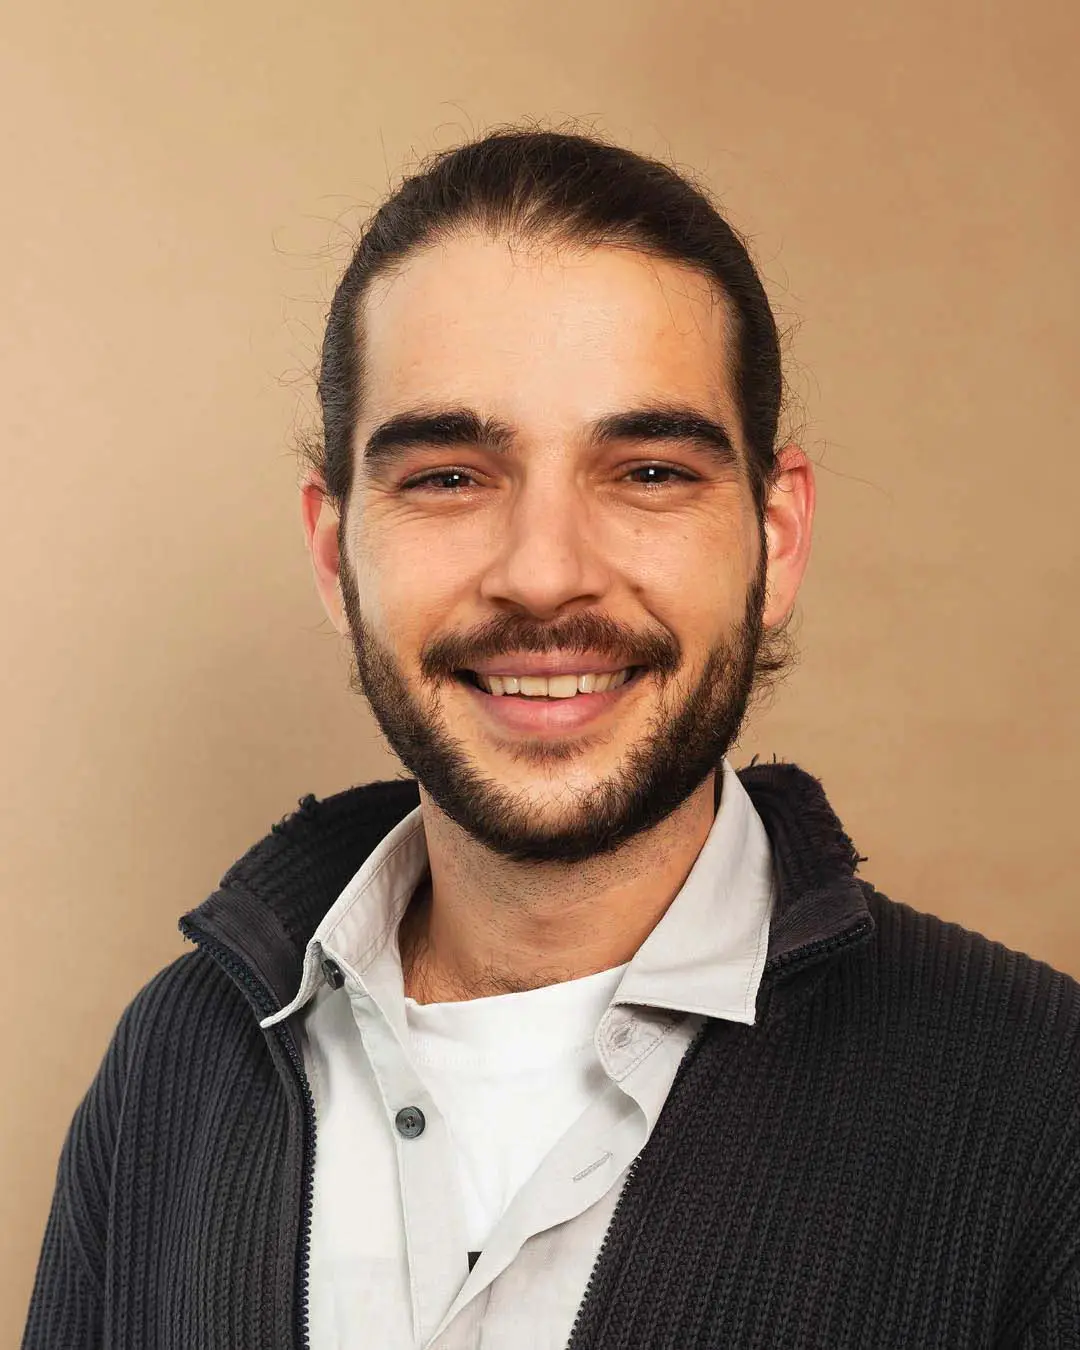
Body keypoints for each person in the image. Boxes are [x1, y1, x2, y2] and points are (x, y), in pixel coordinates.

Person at [22, 128, 1080, 1350]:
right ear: (333, 554)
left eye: (648, 472)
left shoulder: (1041, 1110)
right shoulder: (172, 1068)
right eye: (449, 478)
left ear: (776, 539)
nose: (543, 574)